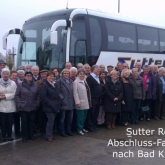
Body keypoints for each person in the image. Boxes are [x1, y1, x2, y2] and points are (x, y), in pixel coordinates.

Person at [15, 70, 40, 142]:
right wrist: (19, 104)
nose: (29, 77)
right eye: (27, 76)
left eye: (30, 76)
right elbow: (17, 95)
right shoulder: (20, 84)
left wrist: (37, 103)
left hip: (33, 106)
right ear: (25, 77)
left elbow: (38, 95)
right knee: (24, 121)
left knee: (32, 121)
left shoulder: (35, 84)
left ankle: (31, 135)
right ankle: (24, 136)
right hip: (23, 106)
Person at [40, 71, 61, 141]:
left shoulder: (54, 84)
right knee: (50, 121)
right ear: (47, 77)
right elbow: (43, 97)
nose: (51, 77)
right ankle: (48, 136)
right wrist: (51, 104)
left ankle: (51, 134)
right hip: (49, 107)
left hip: (55, 106)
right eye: (50, 76)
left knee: (52, 121)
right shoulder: (45, 85)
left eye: (53, 76)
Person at [56, 69, 74, 137]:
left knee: (70, 118)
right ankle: (62, 131)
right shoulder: (59, 81)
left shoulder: (71, 81)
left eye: (67, 73)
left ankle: (68, 130)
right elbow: (58, 92)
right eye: (65, 73)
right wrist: (62, 98)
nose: (66, 74)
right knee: (62, 119)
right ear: (62, 74)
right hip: (63, 103)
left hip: (70, 102)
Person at [0, 68, 17, 142]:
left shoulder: (13, 83)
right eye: (4, 74)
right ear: (2, 74)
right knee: (2, 122)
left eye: (7, 74)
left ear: (9, 75)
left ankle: (9, 135)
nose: (5, 75)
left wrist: (5, 96)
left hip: (10, 106)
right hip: (1, 106)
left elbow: (15, 94)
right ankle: (3, 136)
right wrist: (1, 97)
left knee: (10, 122)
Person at [73, 69, 91, 135]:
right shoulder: (76, 82)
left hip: (86, 102)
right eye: (80, 74)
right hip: (80, 102)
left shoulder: (84, 81)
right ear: (78, 74)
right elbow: (75, 93)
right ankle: (79, 129)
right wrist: (77, 102)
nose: (82, 75)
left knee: (84, 116)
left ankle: (82, 127)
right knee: (80, 117)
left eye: (83, 74)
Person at [86, 65, 102, 132]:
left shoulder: (98, 78)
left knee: (96, 113)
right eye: (98, 69)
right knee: (91, 113)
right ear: (93, 69)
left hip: (98, 98)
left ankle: (94, 125)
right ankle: (89, 126)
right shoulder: (90, 78)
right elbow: (88, 89)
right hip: (92, 98)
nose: (99, 70)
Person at [36, 70, 48, 137]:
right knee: (41, 118)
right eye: (42, 74)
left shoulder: (50, 82)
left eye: (45, 74)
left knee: (47, 118)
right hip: (40, 103)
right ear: (40, 75)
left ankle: (47, 130)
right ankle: (42, 131)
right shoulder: (37, 82)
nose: (44, 75)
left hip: (47, 103)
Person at [10, 70, 21, 136]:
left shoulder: (19, 83)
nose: (14, 77)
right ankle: (9, 132)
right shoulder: (8, 83)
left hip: (17, 104)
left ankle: (17, 131)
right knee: (10, 120)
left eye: (16, 75)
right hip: (10, 103)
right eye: (13, 75)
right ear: (10, 76)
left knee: (17, 119)